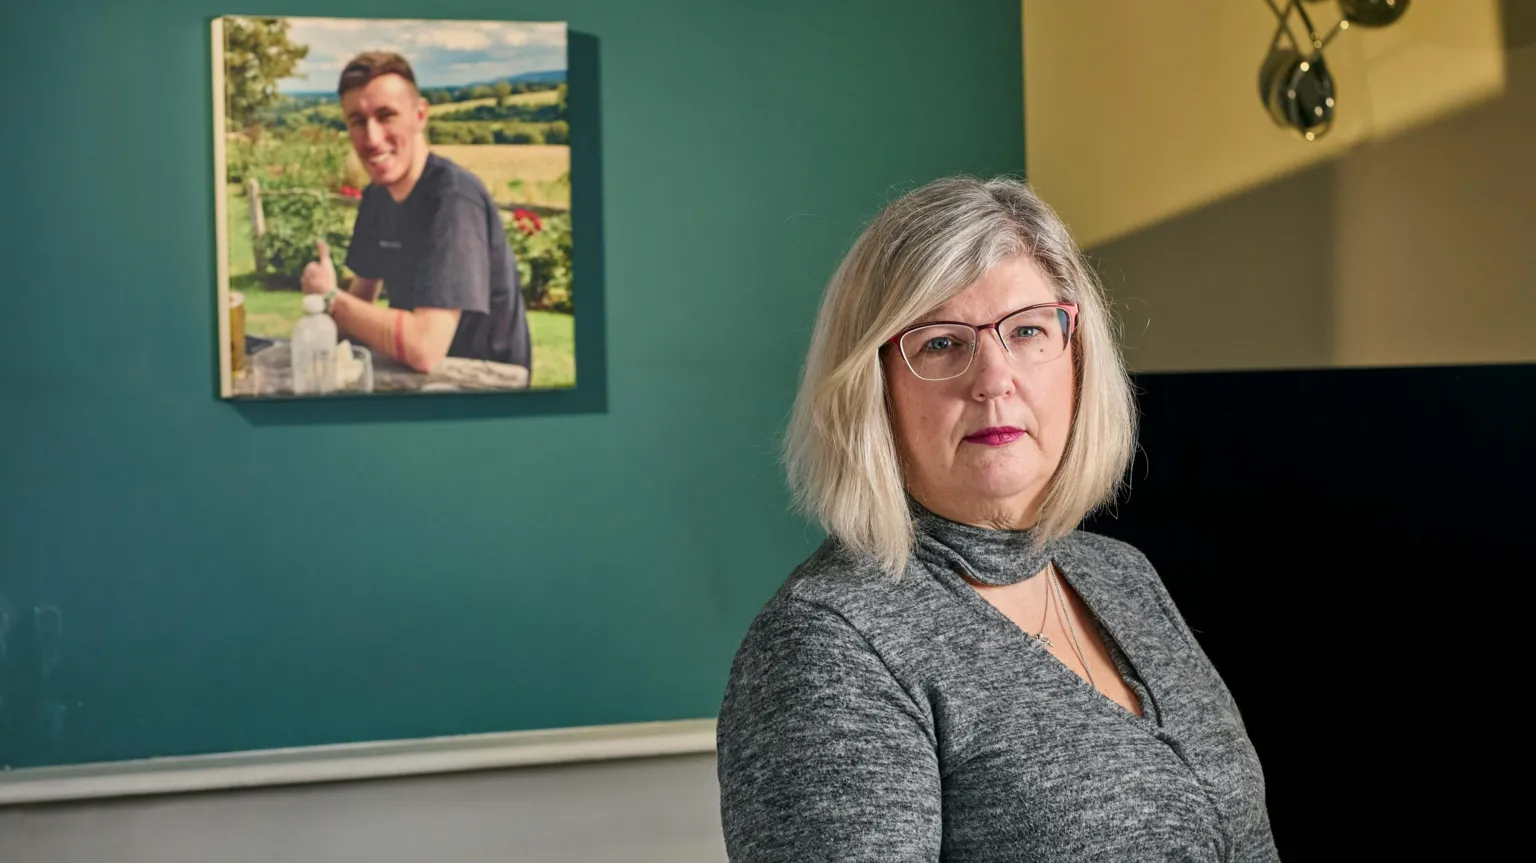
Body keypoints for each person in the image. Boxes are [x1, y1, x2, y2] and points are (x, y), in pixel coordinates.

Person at [716, 176, 1278, 861]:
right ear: (874, 389)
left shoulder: (1122, 576)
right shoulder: (825, 645)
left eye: (1028, 330)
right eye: (942, 344)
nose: (993, 378)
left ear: (1076, 356)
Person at [300, 52, 532, 378]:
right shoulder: (377, 196)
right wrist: (329, 315)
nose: (372, 138)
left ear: (420, 115)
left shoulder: (454, 200)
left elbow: (424, 347)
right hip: (419, 384)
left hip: (484, 393)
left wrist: (329, 298)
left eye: (386, 116)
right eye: (357, 121)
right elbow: (360, 302)